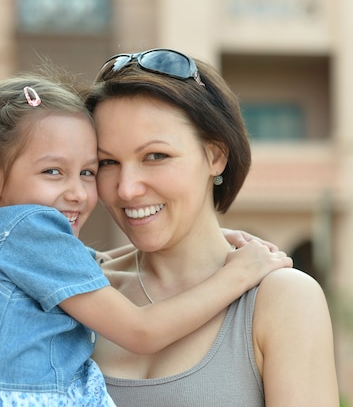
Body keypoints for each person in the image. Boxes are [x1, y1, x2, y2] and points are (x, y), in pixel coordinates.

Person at [0, 73, 293, 407]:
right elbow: (141, 332)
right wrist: (238, 273)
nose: (78, 193)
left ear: (215, 157)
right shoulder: (30, 226)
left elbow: (87, 265)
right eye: (53, 171)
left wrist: (206, 240)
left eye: (89, 171)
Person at [84, 48, 339, 407]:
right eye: (107, 162)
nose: (126, 188)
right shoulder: (80, 288)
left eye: (155, 156)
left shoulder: (280, 299)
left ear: (215, 156)